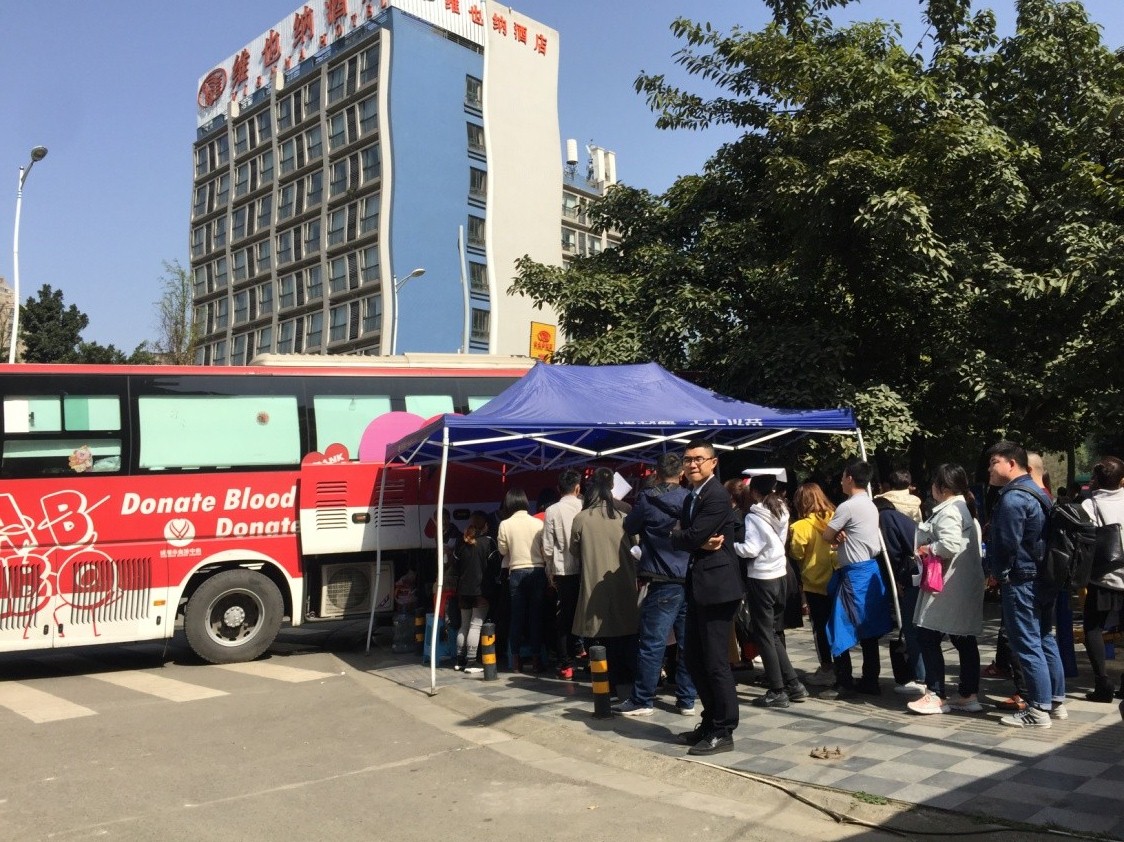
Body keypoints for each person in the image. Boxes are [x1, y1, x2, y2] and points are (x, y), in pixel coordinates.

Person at [669, 440, 746, 756]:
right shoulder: (692, 496)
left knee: (715, 662)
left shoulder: (715, 495)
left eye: (699, 459)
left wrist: (688, 539)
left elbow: (689, 536)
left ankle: (724, 729)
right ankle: (710, 721)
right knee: (694, 658)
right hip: (699, 586)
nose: (692, 465)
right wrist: (689, 540)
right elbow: (684, 536)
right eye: (687, 460)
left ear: (713, 463)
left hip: (718, 588)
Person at [985, 440, 1065, 728]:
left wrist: (999, 573)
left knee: (1027, 643)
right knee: (1044, 638)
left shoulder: (1012, 498)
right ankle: (1055, 701)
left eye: (994, 462)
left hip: (1021, 579)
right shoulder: (1037, 492)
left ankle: (1038, 709)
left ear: (1012, 464)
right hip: (1042, 577)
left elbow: (1006, 543)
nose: (990, 470)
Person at [614, 454, 697, 716]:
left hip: (661, 578)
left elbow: (629, 525)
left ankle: (643, 699)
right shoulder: (690, 499)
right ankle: (687, 699)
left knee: (652, 642)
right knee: (688, 643)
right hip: (689, 577)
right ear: (681, 473)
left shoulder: (648, 499)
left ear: (657, 473)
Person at [907, 464, 985, 715]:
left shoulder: (951, 510)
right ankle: (968, 694)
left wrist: (928, 549)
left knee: (927, 635)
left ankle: (936, 693)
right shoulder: (965, 509)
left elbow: (949, 544)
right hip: (960, 585)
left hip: (948, 585)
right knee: (963, 639)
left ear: (941, 488)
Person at [732, 474, 808, 708]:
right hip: (780, 574)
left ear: (754, 492)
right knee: (773, 632)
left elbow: (751, 548)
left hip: (762, 577)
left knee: (764, 634)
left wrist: (731, 546)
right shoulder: (781, 510)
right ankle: (794, 684)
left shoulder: (755, 516)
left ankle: (777, 689)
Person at [821, 460, 892, 698]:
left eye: (842, 476)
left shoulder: (847, 507)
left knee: (838, 627)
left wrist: (836, 535)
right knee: (868, 629)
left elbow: (827, 535)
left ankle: (844, 681)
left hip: (854, 574)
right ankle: (870, 680)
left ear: (849, 477)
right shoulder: (870, 504)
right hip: (869, 570)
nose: (840, 481)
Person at [571, 467, 638, 695]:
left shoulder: (581, 518)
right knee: (624, 637)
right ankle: (625, 684)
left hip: (593, 583)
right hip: (624, 583)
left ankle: (603, 685)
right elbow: (637, 548)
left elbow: (573, 551)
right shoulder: (625, 517)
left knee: (598, 638)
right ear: (612, 487)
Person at [1079, 456, 1124, 702]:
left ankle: (1103, 683)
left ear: (1095, 480)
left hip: (1103, 577)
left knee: (1093, 628)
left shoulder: (1090, 505)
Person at [873, 489, 925, 695]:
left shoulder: (884, 519)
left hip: (911, 576)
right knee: (917, 627)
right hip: (919, 573)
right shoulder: (898, 517)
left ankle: (921, 677)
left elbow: (892, 553)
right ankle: (923, 674)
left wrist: (896, 580)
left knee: (912, 628)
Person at [788, 482, 837, 686]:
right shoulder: (836, 518)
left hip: (814, 583)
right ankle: (842, 667)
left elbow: (796, 553)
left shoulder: (800, 526)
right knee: (837, 626)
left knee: (820, 628)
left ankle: (826, 668)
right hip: (837, 579)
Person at [496, 487, 547, 673]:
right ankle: (535, 659)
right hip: (537, 570)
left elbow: (502, 551)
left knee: (516, 617)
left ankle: (515, 661)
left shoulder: (505, 525)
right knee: (535, 617)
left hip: (516, 571)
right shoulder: (538, 523)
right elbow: (544, 549)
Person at [542, 469, 584, 680]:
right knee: (585, 613)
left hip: (562, 570)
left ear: (559, 489)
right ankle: (587, 654)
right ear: (578, 487)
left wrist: (549, 572)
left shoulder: (552, 510)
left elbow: (547, 547)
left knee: (564, 617)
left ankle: (566, 663)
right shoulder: (585, 506)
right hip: (586, 569)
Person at [452, 512, 500, 670]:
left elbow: (455, 566)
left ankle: (460, 660)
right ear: (485, 525)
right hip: (481, 591)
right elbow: (495, 567)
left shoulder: (461, 542)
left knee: (464, 625)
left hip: (463, 591)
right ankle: (472, 661)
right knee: (476, 625)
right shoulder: (488, 542)